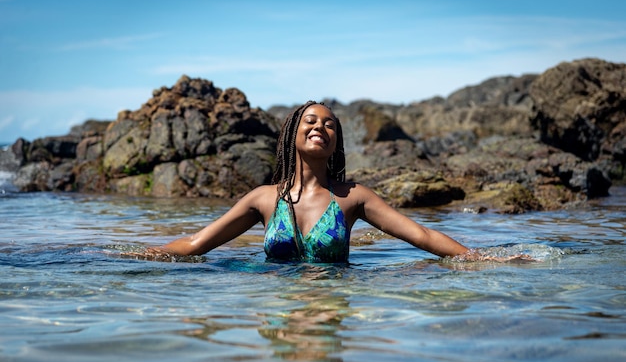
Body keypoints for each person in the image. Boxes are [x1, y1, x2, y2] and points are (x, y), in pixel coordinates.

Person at [134, 101, 470, 262]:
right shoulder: (264, 199)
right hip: (278, 306)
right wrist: (135, 255)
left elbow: (422, 235)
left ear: (336, 142)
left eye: (330, 125)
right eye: (310, 121)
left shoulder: (353, 198)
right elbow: (197, 243)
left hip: (331, 304)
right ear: (292, 133)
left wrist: (478, 259)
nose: (320, 128)